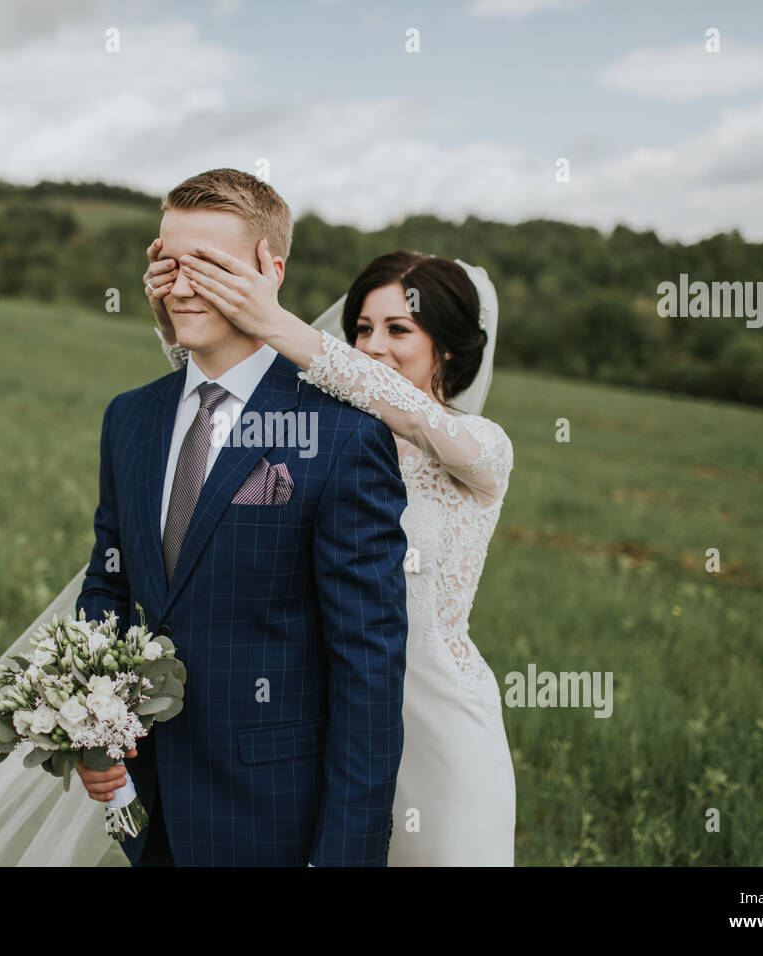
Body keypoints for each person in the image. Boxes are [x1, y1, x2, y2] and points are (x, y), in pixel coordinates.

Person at [0, 168, 411, 867]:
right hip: (140, 800)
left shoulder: (345, 435)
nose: (180, 283)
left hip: (274, 813)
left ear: (270, 270)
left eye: (208, 263)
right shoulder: (131, 417)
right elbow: (110, 587)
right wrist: (92, 731)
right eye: (167, 260)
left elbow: (369, 667)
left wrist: (348, 854)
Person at [133, 238, 516, 865]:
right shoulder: (321, 438)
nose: (371, 345)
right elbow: (218, 398)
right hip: (334, 718)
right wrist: (174, 312)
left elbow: (415, 418)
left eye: (398, 328)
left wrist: (272, 321)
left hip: (441, 728)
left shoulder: (481, 449)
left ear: (445, 347)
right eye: (362, 328)